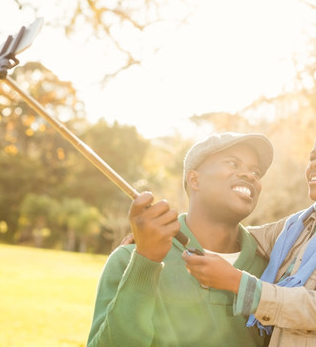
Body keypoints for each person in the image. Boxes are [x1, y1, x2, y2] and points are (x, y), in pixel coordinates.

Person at [183, 120, 316, 347]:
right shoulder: (300, 224)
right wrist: (168, 230)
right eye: (313, 157)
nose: (315, 164)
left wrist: (237, 282)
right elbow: (242, 236)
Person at [86, 132, 274, 347]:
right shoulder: (128, 259)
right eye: (232, 163)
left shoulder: (273, 273)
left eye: (256, 172)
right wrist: (146, 261)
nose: (250, 176)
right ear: (194, 179)